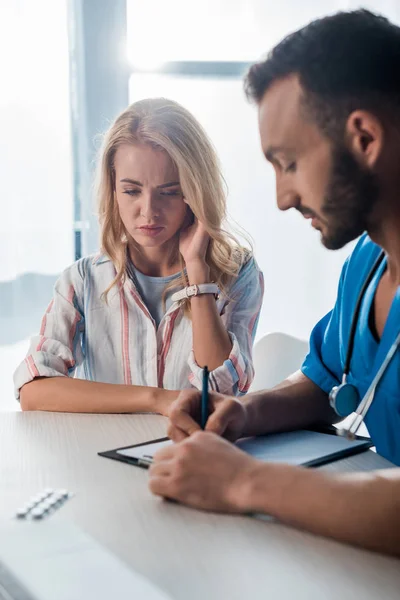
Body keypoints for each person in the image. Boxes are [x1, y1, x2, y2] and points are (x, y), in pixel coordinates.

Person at [149, 11, 400, 557]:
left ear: (364, 137)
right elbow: (325, 384)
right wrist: (243, 413)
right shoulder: (368, 264)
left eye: (288, 163)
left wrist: (243, 482)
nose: (283, 198)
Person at [15, 98, 263, 413]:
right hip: (102, 456)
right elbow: (33, 390)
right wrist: (155, 400)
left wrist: (198, 271)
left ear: (195, 191)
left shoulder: (237, 272)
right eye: (132, 191)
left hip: (198, 455)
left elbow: (222, 392)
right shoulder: (82, 280)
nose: (148, 212)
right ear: (113, 189)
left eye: (170, 192)